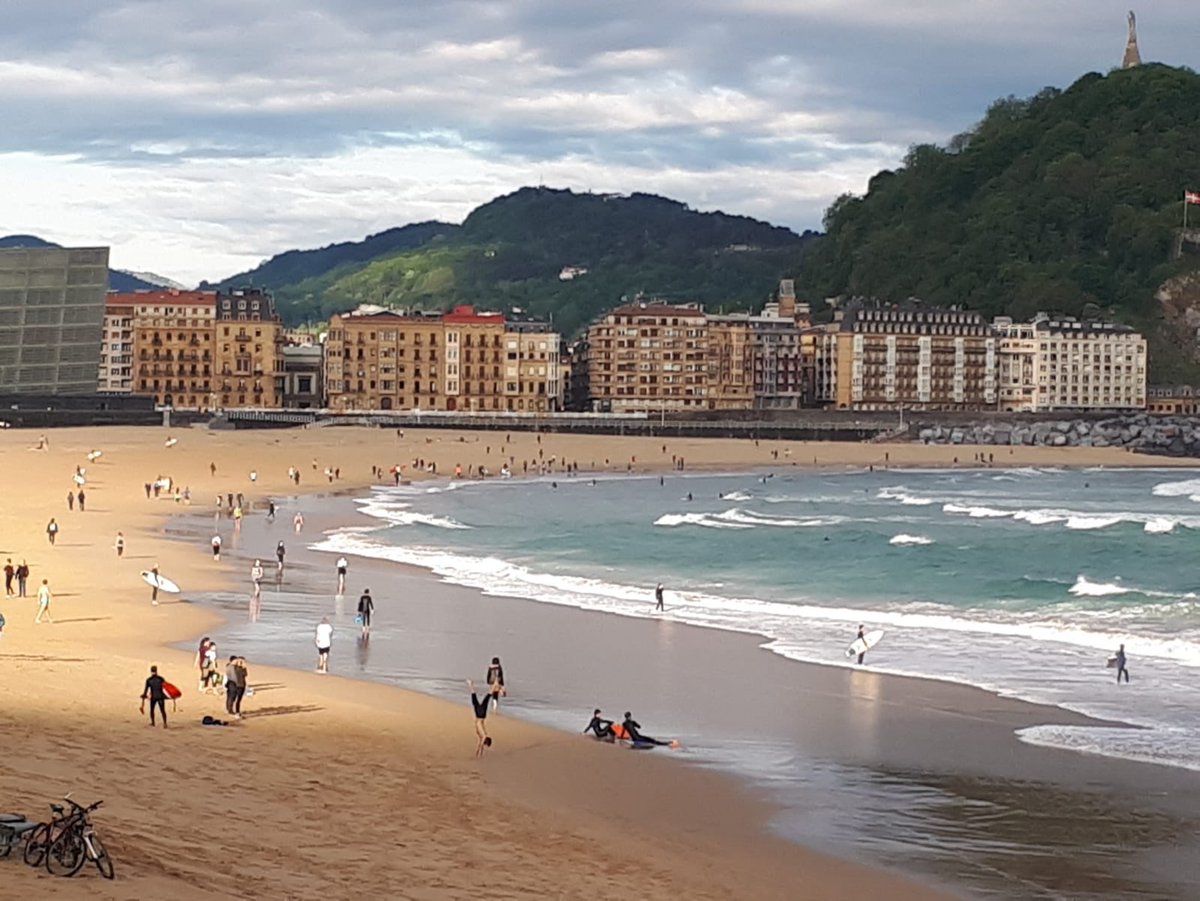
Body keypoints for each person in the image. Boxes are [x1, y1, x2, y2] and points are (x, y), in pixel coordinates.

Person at [468, 680, 493, 757]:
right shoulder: (484, 735)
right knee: (483, 700)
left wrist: (479, 752)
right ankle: (493, 686)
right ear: (486, 741)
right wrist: (478, 753)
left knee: (478, 701)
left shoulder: (482, 735)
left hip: (481, 715)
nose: (483, 745)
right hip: (480, 715)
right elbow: (480, 745)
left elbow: (480, 743)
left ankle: (470, 684)